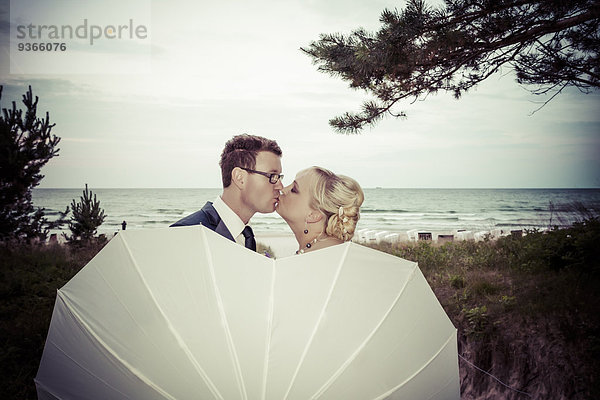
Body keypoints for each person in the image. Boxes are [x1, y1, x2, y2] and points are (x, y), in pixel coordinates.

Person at [171, 134, 283, 252]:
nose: (280, 186)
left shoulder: (246, 236)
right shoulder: (184, 234)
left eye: (279, 177)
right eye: (272, 176)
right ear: (240, 177)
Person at [276, 166, 364, 254]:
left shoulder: (323, 255)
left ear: (314, 215)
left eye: (294, 190)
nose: (282, 189)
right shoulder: (322, 250)